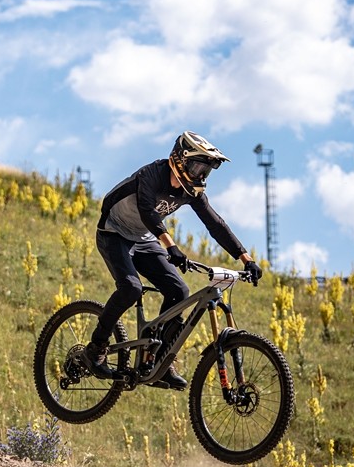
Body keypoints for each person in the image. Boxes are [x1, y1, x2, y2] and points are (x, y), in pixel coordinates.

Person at [86, 131, 263, 390]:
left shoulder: (192, 192)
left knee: (179, 292)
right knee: (131, 288)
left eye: (206, 171)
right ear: (181, 160)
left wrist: (246, 259)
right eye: (197, 167)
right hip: (114, 232)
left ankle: (159, 360)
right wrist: (171, 246)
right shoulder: (152, 175)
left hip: (143, 238)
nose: (201, 175)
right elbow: (148, 212)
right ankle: (96, 346)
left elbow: (215, 224)